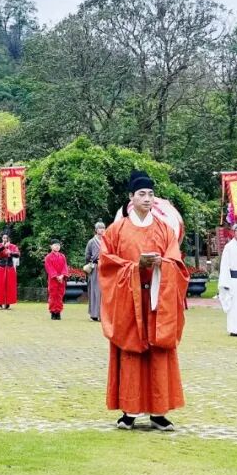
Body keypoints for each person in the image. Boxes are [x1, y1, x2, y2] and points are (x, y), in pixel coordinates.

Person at [100, 171, 188, 431]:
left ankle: (158, 412)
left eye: (151, 194)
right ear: (131, 197)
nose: (147, 199)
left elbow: (177, 263)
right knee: (131, 353)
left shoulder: (164, 230)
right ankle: (129, 412)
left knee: (158, 352)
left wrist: (163, 264)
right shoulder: (116, 230)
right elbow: (107, 264)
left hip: (157, 301)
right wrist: (134, 268)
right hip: (130, 301)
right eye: (142, 194)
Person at [0, 230, 20, 310]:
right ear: (2, 238)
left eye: (6, 238)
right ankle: (0, 304)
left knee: (10, 286)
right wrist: (4, 246)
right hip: (1, 267)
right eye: (4, 238)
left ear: (9, 239)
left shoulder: (13, 246)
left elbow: (17, 254)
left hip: (10, 267)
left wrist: (10, 252)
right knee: (0, 286)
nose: (5, 239)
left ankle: (8, 304)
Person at [85, 222, 106, 322]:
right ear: (96, 230)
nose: (102, 230)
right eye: (100, 228)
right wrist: (91, 263)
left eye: (103, 228)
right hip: (95, 267)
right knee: (94, 290)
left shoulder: (107, 240)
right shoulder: (91, 242)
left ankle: (103, 315)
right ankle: (94, 314)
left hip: (105, 267)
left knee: (104, 291)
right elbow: (87, 255)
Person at [45, 240, 69, 320]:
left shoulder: (62, 256)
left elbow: (65, 267)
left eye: (58, 245)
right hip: (53, 279)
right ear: (51, 246)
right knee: (53, 295)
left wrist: (62, 275)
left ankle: (58, 312)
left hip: (61, 279)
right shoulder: (48, 257)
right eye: (55, 245)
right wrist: (56, 276)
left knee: (60, 295)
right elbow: (49, 268)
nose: (57, 246)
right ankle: (53, 312)